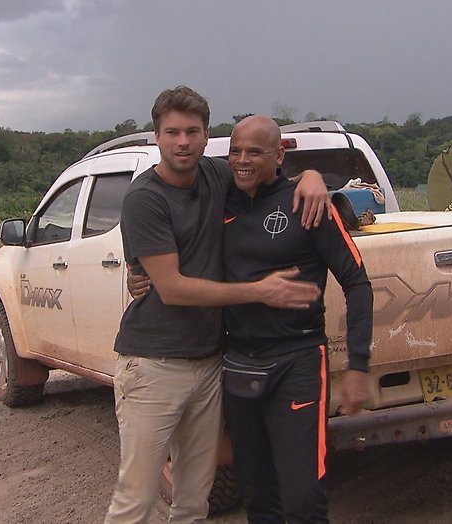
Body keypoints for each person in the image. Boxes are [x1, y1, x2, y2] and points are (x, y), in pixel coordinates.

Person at [105, 87, 331, 524]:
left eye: (192, 131)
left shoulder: (216, 176)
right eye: (172, 132)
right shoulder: (144, 198)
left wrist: (311, 177)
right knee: (138, 495)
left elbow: (267, 171)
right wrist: (259, 291)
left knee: (194, 500)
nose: (183, 142)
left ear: (209, 137)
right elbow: (171, 289)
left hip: (210, 363)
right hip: (153, 364)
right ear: (157, 137)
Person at [221, 115, 373, 522]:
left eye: (254, 151)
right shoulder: (222, 200)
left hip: (298, 360)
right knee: (256, 496)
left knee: (303, 497)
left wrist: (358, 366)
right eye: (235, 151)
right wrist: (137, 268)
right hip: (237, 363)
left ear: (278, 154)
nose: (242, 160)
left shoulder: (308, 205)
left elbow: (357, 282)